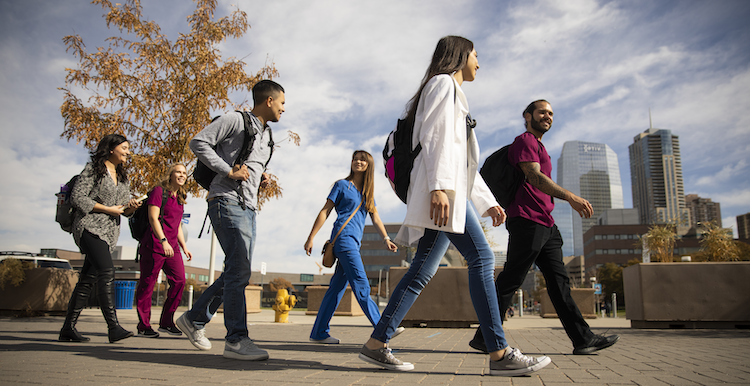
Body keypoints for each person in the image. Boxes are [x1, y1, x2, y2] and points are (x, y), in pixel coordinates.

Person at [358, 36, 551, 376]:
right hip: (444, 191)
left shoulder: (446, 90)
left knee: (422, 270)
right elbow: (437, 140)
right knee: (482, 257)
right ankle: (499, 352)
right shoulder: (443, 84)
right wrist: (439, 189)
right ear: (461, 55)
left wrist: (486, 201)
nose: (479, 61)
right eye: (476, 54)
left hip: (448, 188)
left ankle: (377, 344)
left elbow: (462, 159)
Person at [469, 100, 620, 355]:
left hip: (546, 223)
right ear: (528, 116)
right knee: (510, 281)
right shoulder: (525, 141)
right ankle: (485, 336)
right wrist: (570, 197)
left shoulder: (541, 146)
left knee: (559, 283)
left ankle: (583, 339)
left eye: (551, 113)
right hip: (528, 220)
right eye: (542, 112)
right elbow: (534, 176)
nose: (547, 116)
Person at [176, 79, 284, 361]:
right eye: (282, 103)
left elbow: (250, 164)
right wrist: (228, 171)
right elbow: (198, 142)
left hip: (249, 207)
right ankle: (236, 339)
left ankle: (195, 319)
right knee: (238, 270)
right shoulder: (236, 120)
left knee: (238, 271)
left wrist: (261, 177)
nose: (284, 109)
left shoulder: (267, 135)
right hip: (226, 200)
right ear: (269, 101)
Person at [303, 150, 403, 344]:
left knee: (336, 289)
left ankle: (319, 333)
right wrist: (311, 237)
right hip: (343, 239)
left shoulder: (367, 193)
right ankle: (383, 326)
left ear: (368, 165)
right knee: (361, 283)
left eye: (362, 160)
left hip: (354, 243)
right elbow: (325, 211)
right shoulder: (342, 185)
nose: (358, 162)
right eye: (355, 159)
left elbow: (375, 217)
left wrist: (385, 238)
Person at [59, 134, 142, 343]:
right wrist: (107, 209)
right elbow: (78, 197)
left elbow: (122, 210)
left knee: (87, 280)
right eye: (124, 148)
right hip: (88, 226)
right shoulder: (93, 169)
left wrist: (131, 207)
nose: (128, 152)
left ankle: (68, 328)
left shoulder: (122, 177)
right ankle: (113, 327)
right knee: (107, 271)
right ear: (111, 148)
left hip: (108, 233)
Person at [134, 163, 193, 338]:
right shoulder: (159, 191)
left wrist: (184, 247)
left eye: (184, 173)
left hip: (172, 247)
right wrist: (164, 241)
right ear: (171, 174)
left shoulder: (180, 197)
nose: (182, 175)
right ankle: (144, 325)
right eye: (178, 172)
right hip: (154, 244)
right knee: (148, 284)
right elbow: (153, 218)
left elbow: (178, 226)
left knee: (180, 281)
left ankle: (166, 322)